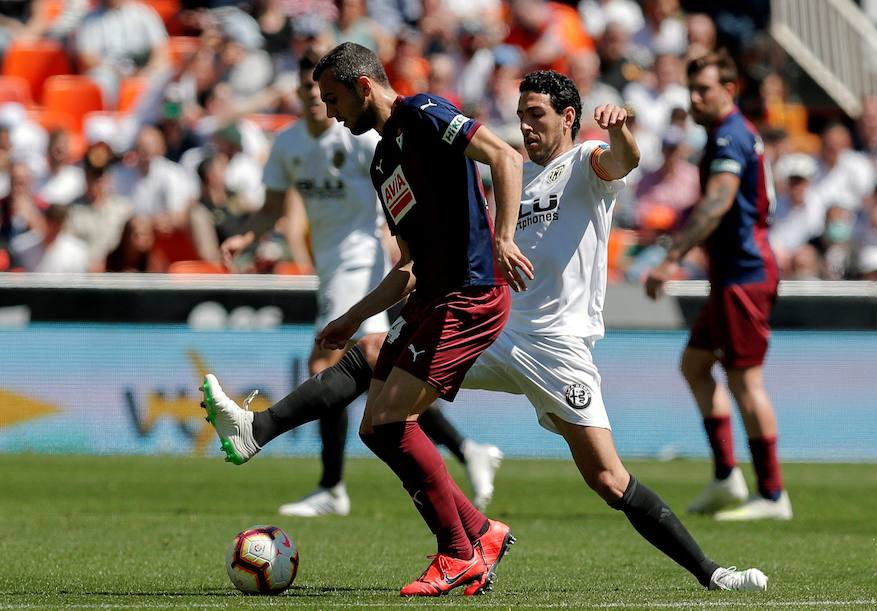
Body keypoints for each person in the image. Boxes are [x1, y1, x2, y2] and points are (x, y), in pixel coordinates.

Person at [201, 59, 769, 596]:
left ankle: (712, 573)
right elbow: (423, 255)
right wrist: (353, 316)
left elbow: (624, 160)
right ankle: (270, 435)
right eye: (520, 116)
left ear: (569, 118)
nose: (526, 126)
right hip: (496, 329)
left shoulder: (586, 163)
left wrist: (619, 131)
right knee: (373, 358)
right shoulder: (506, 182)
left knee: (608, 480)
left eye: (537, 115)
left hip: (558, 349)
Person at [212, 52, 504, 518]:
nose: (327, 110)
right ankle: (469, 465)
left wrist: (503, 238)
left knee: (360, 387)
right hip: (403, 287)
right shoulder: (377, 158)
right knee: (377, 393)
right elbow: (408, 260)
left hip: (434, 283)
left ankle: (328, 482)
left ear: (363, 88)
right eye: (317, 97)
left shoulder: (417, 117)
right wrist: (354, 315)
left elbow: (502, 155)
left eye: (331, 98)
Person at [645, 51, 793, 521]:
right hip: (731, 275)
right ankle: (728, 476)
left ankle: (772, 496)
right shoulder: (726, 135)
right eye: (692, 89)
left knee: (746, 383)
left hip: (745, 276)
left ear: (728, 90)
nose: (695, 98)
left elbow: (719, 202)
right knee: (694, 365)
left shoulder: (730, 136)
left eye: (704, 89)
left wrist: (671, 257)